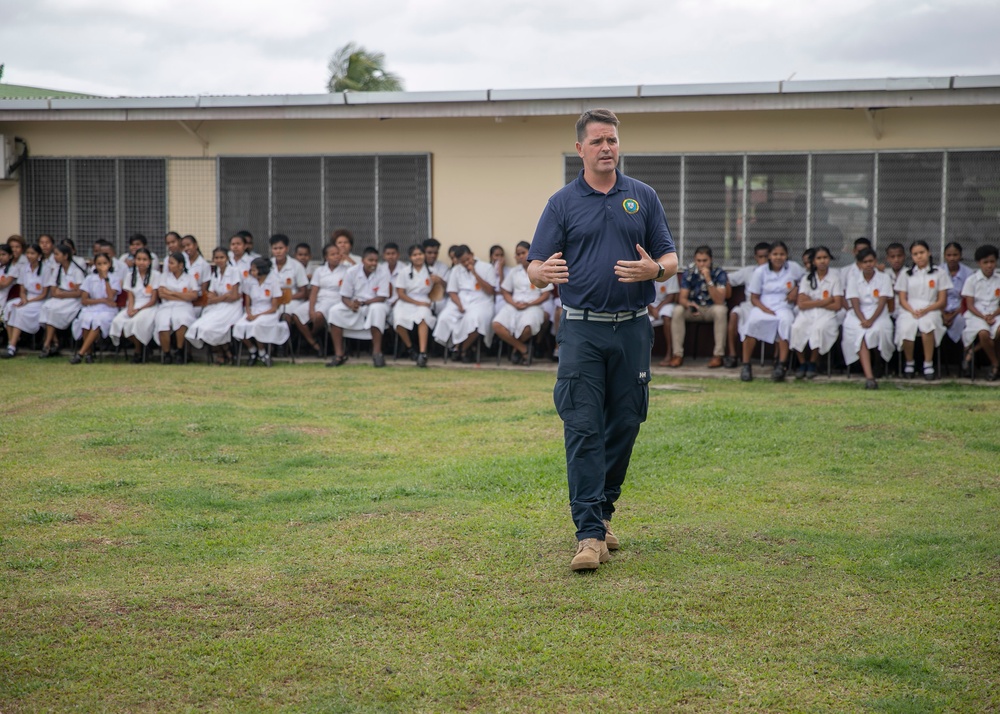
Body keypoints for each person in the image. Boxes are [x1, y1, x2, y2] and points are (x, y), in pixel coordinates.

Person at [527, 108, 677, 572]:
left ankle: (603, 512)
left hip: (633, 327)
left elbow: (671, 258)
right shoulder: (562, 203)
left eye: (611, 140)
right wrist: (540, 274)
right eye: (597, 142)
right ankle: (589, 535)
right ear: (580, 149)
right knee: (583, 426)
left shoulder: (643, 197)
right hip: (582, 330)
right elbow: (534, 266)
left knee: (625, 423)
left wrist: (655, 270)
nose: (606, 148)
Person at [739, 241, 802, 382]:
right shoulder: (760, 271)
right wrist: (765, 309)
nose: (778, 257)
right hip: (763, 305)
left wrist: (796, 289)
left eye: (782, 254)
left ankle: (781, 365)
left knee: (786, 322)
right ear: (769, 256)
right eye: (775, 254)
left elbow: (804, 279)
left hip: (784, 305)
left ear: (786, 256)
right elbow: (754, 298)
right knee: (752, 323)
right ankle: (746, 365)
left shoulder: (793, 268)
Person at [894, 240, 951, 380]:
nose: (919, 256)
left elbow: (942, 301)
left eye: (922, 253)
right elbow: (902, 299)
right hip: (909, 309)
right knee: (907, 326)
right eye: (915, 254)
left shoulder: (939, 273)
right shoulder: (906, 274)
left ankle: (928, 363)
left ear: (928, 253)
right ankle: (909, 363)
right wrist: (912, 310)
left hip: (931, 308)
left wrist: (926, 309)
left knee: (927, 325)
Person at [431, 245, 497, 363]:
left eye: (468, 259)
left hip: (482, 301)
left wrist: (475, 273)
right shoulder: (456, 269)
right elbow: (452, 291)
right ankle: (461, 349)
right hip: (460, 301)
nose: (466, 263)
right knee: (444, 318)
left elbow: (491, 291)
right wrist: (459, 305)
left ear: (472, 254)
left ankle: (461, 349)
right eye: (463, 262)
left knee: (476, 320)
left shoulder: (487, 268)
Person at [326, 246, 389, 367]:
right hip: (355, 304)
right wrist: (351, 305)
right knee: (334, 311)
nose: (374, 263)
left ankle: (377, 354)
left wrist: (364, 303)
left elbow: (382, 297)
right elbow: (344, 295)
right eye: (370, 260)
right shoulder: (352, 272)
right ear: (363, 261)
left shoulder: (383, 272)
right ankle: (339, 354)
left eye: (376, 261)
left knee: (377, 310)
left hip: (375, 303)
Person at [667, 245, 729, 368]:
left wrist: (708, 279)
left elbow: (720, 300)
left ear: (710, 260)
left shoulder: (719, 272)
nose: (701, 264)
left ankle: (718, 356)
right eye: (698, 261)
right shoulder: (689, 271)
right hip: (695, 308)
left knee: (721, 311)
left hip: (711, 308)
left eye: (704, 260)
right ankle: (677, 355)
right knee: (678, 310)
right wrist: (688, 304)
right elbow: (682, 298)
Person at [492, 240, 553, 364]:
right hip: (515, 305)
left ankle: (516, 350)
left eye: (523, 253)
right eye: (518, 254)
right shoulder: (514, 272)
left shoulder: (540, 269)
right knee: (497, 325)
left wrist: (530, 304)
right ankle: (524, 349)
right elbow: (505, 291)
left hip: (533, 306)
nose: (520, 256)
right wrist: (514, 304)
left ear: (530, 253)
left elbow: (546, 294)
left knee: (528, 327)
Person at [842, 248, 894, 389]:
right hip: (857, 314)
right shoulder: (853, 278)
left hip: (879, 313)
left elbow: (882, 302)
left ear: (875, 261)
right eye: (865, 262)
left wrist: (871, 320)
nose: (868, 264)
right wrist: (863, 319)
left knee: (878, 330)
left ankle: (878, 362)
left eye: (871, 261)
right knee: (861, 335)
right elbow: (854, 302)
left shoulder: (884, 278)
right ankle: (869, 377)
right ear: (859, 264)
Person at [789, 245, 842, 379]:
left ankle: (812, 363)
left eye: (825, 257)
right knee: (797, 328)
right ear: (813, 261)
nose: (822, 261)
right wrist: (825, 301)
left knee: (819, 328)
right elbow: (801, 304)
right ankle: (802, 364)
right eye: (819, 258)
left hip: (827, 314)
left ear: (829, 259)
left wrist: (812, 301)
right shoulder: (807, 278)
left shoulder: (835, 278)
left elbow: (837, 305)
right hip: (807, 313)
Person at [186, 247, 244, 364]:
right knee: (200, 326)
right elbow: (211, 296)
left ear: (227, 258)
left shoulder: (234, 271)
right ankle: (223, 351)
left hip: (232, 307)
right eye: (216, 258)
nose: (219, 260)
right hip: (218, 306)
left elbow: (233, 296)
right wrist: (222, 297)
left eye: (222, 257)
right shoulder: (216, 273)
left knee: (216, 326)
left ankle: (225, 352)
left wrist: (218, 298)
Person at [233, 257, 287, 367]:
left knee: (256, 326)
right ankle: (252, 350)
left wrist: (256, 316)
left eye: (254, 270)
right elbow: (248, 303)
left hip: (268, 312)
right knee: (239, 326)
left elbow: (274, 308)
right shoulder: (249, 281)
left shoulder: (273, 280)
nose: (251, 272)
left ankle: (262, 353)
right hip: (254, 310)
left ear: (261, 270)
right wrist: (248, 313)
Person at [724, 242, 771, 368]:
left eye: (766, 257)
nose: (764, 260)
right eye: (761, 257)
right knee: (734, 314)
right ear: (756, 257)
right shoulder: (749, 271)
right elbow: (726, 278)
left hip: (768, 307)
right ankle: (733, 355)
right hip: (749, 306)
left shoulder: (775, 273)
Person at [69, 253, 122, 364]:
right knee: (85, 320)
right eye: (99, 264)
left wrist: (106, 279)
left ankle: (81, 353)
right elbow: (84, 300)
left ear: (110, 264)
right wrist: (102, 300)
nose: (102, 266)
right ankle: (89, 354)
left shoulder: (115, 279)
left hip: (108, 310)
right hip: (92, 307)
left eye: (105, 263)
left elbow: (111, 297)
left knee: (97, 321)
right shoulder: (89, 279)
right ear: (95, 265)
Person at [110, 248, 160, 362]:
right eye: (139, 259)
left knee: (135, 322)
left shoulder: (155, 275)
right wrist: (130, 309)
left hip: (149, 307)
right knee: (118, 322)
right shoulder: (130, 275)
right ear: (134, 261)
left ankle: (138, 351)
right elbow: (130, 295)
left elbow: (153, 299)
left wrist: (138, 310)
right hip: (134, 305)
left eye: (144, 259)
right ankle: (143, 347)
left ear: (150, 261)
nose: (141, 262)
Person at [38, 243, 88, 358]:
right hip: (60, 298)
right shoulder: (57, 270)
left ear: (65, 256)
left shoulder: (76, 271)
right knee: (45, 307)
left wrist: (63, 294)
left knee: (53, 310)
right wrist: (61, 294)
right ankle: (54, 342)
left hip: (73, 301)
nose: (55, 257)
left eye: (57, 254)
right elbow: (54, 290)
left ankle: (47, 344)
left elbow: (79, 292)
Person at [960, 244, 1000, 380]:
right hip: (976, 314)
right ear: (979, 263)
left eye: (992, 262)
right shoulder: (972, 280)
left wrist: (993, 315)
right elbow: (969, 305)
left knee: (999, 331)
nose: (989, 266)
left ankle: (972, 351)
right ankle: (995, 364)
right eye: (985, 262)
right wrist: (984, 316)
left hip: (996, 314)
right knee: (983, 333)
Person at [393, 243, 436, 367]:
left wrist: (439, 282)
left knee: (423, 317)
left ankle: (422, 353)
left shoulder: (431, 271)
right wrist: (417, 303)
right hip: (406, 301)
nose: (418, 257)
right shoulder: (404, 272)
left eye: (420, 254)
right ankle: (410, 348)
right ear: (410, 257)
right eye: (415, 255)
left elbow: (437, 290)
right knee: (398, 320)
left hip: (424, 301)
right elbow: (400, 293)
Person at [155, 251, 201, 364]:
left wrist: (171, 293)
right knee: (163, 322)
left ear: (181, 265)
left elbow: (193, 296)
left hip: (184, 306)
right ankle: (166, 354)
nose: (169, 266)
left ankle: (180, 351)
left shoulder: (189, 278)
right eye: (168, 263)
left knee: (182, 319)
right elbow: (161, 294)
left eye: (172, 263)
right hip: (166, 306)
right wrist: (183, 295)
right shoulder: (164, 276)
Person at [3, 244, 46, 359]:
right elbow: (22, 290)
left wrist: (28, 301)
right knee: (9, 306)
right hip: (27, 298)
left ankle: (12, 346)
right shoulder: (24, 268)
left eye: (32, 253)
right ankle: (11, 342)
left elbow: (44, 294)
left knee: (20, 311)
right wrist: (23, 299)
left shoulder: (45, 269)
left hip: (39, 300)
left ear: (39, 255)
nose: (29, 256)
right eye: (28, 253)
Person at [305, 244, 348, 353]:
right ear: (326, 257)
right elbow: (314, 291)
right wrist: (311, 308)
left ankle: (312, 336)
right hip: (319, 299)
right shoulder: (319, 271)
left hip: (336, 300)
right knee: (296, 314)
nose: (336, 256)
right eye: (332, 254)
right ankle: (312, 340)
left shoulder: (347, 270)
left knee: (319, 315)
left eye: (338, 254)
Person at [941, 241, 973, 349]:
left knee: (963, 320)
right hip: (940, 309)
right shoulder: (938, 271)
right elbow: (934, 297)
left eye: (955, 255)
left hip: (961, 309)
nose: (952, 258)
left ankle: (963, 353)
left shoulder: (969, 273)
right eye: (949, 255)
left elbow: (967, 300)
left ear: (960, 255)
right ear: (944, 256)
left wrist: (952, 315)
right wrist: (943, 315)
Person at [648, 270, 679, 367]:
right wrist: (651, 309)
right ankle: (643, 356)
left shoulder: (670, 270)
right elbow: (640, 294)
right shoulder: (645, 269)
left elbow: (671, 296)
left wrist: (657, 309)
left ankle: (669, 353)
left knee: (666, 316)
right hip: (647, 305)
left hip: (665, 304)